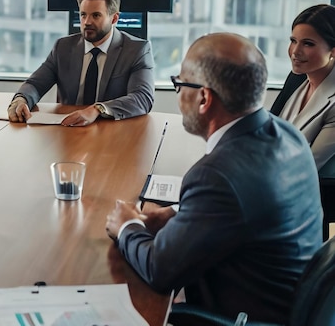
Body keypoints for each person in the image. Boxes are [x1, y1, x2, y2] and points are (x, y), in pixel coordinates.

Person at [105, 33, 323, 323]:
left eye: (180, 84)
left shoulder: (216, 175)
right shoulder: (288, 135)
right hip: (286, 302)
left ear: (204, 97)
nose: (179, 94)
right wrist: (175, 213)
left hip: (243, 315)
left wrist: (126, 226)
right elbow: (243, 204)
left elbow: (160, 271)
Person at [7, 0, 154, 127]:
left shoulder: (137, 50)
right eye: (83, 15)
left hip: (112, 131)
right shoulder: (63, 47)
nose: (87, 22)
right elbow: (35, 84)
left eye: (96, 15)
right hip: (68, 130)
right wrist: (21, 100)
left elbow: (142, 98)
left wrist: (98, 109)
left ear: (114, 18)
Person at [270, 4, 335, 178]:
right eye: (293, 41)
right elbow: (266, 133)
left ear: (333, 51)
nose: (295, 52)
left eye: (308, 43)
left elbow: (307, 166)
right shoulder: (296, 78)